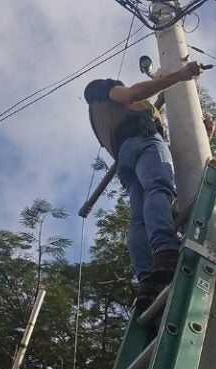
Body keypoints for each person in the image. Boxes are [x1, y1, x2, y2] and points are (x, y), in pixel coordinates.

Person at [84, 61, 204, 309]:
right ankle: (166, 253)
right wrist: (180, 75)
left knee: (139, 218)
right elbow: (131, 94)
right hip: (143, 143)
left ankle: (147, 279)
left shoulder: (100, 119)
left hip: (125, 159)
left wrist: (205, 138)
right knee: (159, 188)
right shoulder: (105, 90)